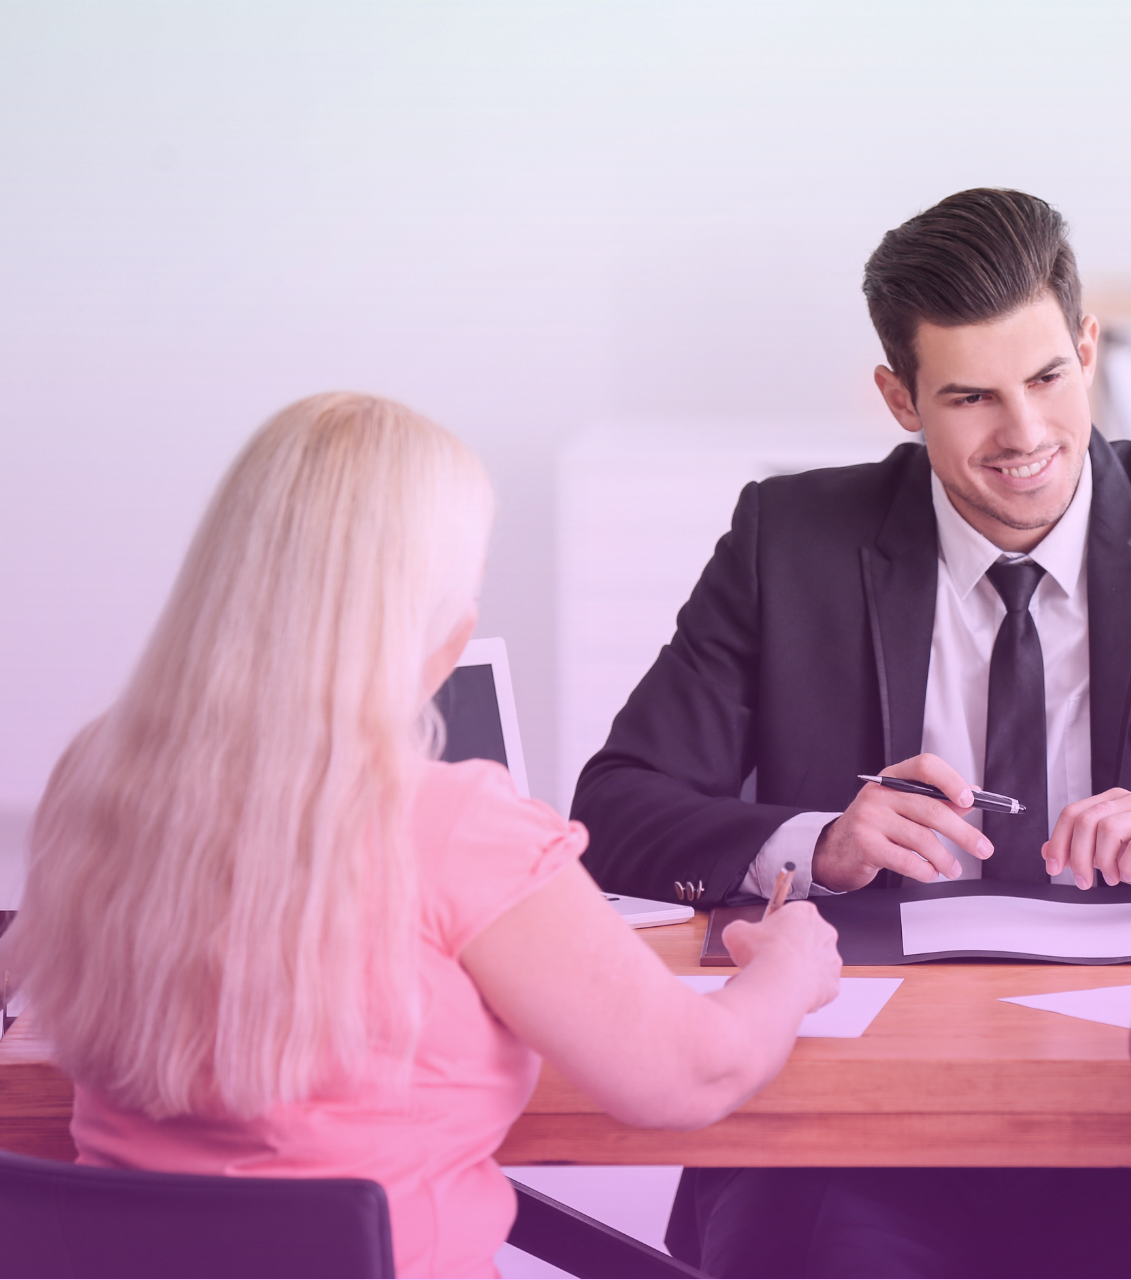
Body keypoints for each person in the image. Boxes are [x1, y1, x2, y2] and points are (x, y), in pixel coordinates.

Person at [570, 189, 1131, 1275]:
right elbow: (614, 805)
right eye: (972, 397)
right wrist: (818, 843)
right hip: (852, 1126)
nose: (1025, 434)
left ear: (1088, 346)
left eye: (1047, 377)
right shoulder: (786, 540)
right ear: (900, 398)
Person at [2, 393, 842, 1279]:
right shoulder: (457, 824)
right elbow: (691, 1076)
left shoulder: (95, 770)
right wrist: (790, 962)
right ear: (446, 644)